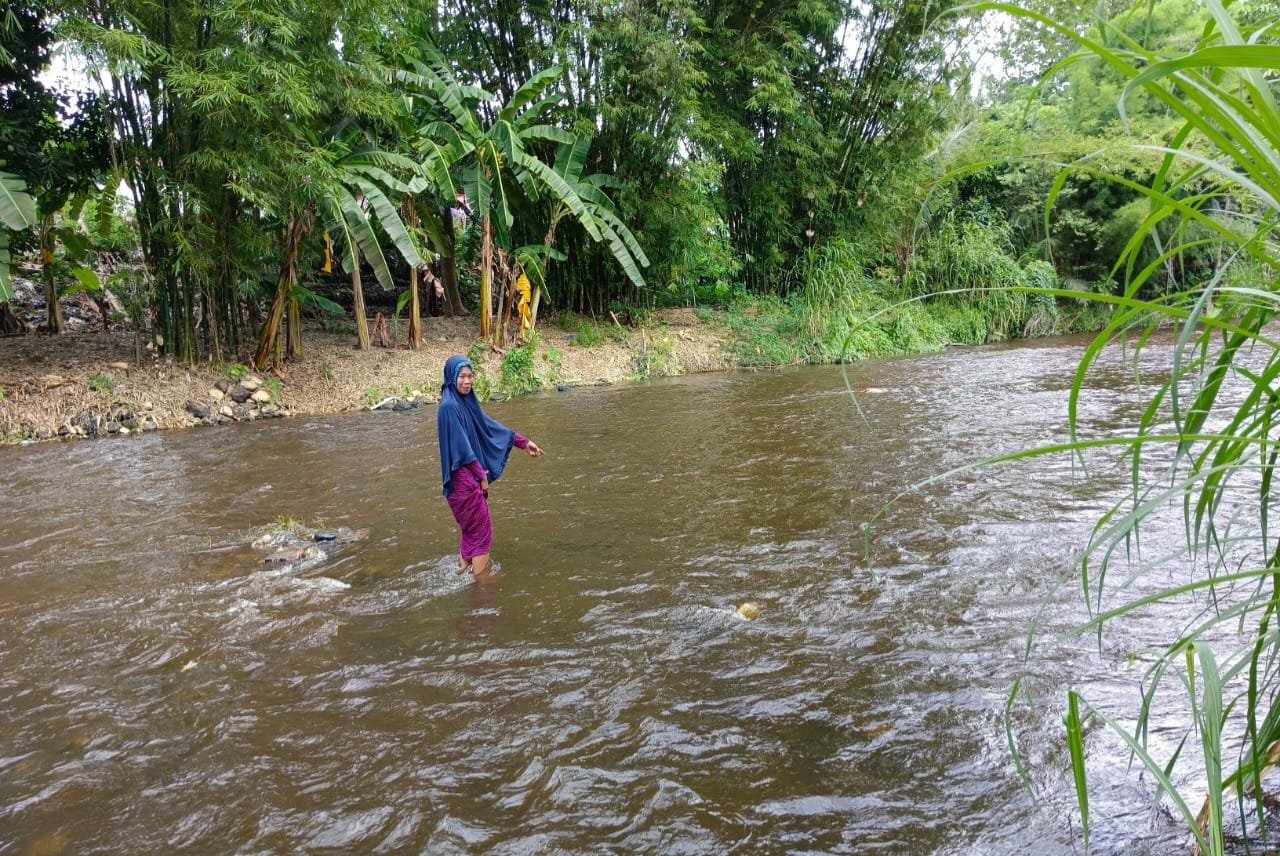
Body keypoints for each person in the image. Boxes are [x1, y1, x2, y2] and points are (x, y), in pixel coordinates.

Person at [437, 355, 543, 576]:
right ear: (451, 378)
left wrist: (523, 442)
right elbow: (462, 450)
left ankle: (463, 578)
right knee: (482, 535)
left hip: (462, 485)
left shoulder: (463, 402)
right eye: (461, 376)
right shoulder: (449, 406)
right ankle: (482, 591)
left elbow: (489, 426)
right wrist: (482, 477)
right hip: (464, 484)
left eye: (470, 376)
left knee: (470, 533)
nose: (467, 381)